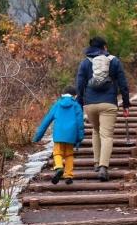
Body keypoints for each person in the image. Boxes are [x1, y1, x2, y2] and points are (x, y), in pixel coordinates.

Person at [76, 38, 131, 182]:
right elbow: (123, 84)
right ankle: (103, 167)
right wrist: (126, 104)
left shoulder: (85, 62)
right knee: (106, 135)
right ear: (105, 47)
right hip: (108, 103)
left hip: (90, 104)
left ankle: (96, 162)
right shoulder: (114, 61)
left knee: (96, 130)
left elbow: (80, 85)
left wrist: (80, 103)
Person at [33, 84, 84, 185]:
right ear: (75, 96)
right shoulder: (76, 106)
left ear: (63, 94)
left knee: (57, 153)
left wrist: (38, 136)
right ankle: (68, 175)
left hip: (59, 135)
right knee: (69, 155)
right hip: (71, 136)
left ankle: (59, 167)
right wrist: (79, 138)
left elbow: (46, 120)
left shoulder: (57, 104)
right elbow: (80, 124)